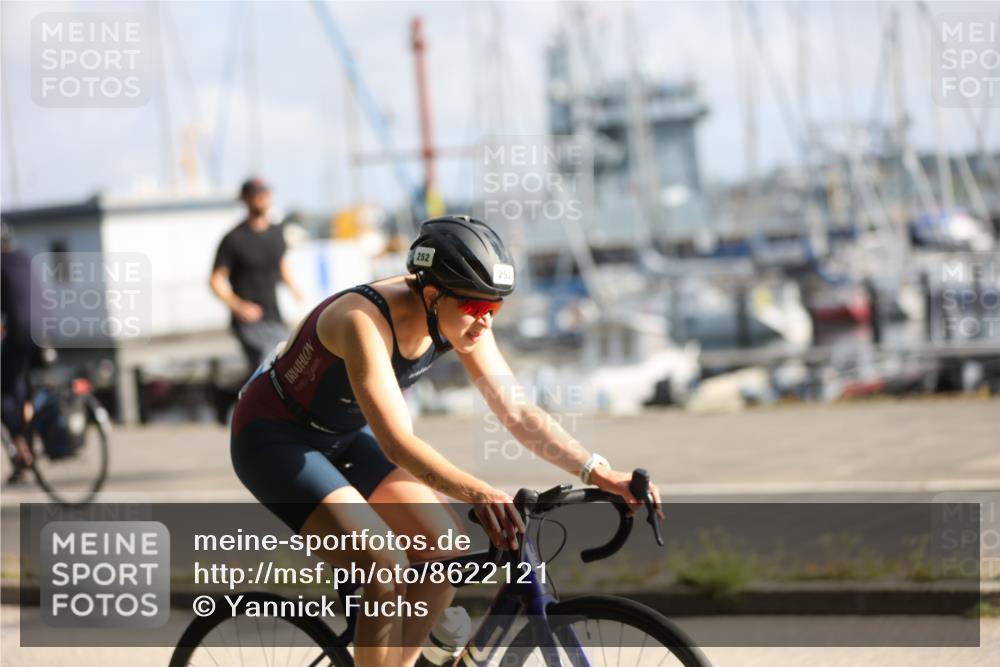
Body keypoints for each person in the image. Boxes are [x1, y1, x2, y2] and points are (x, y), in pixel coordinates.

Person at [230, 215, 663, 667]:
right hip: (273, 440)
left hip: (342, 433)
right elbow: (397, 442)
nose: (485, 323)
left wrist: (598, 471)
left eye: (495, 310)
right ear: (433, 295)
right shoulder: (364, 320)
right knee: (384, 563)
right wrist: (480, 492)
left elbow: (516, 411)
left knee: (444, 549)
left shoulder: (460, 315)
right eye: (476, 309)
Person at [210, 176, 305, 371]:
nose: (263, 198)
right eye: (257, 194)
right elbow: (216, 280)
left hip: (274, 315)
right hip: (249, 322)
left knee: (289, 366)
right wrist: (238, 306)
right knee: (267, 368)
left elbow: (281, 264)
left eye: (266, 193)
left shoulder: (277, 232)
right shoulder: (233, 238)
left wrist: (295, 289)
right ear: (245, 199)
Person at [1, 222, 38, 482]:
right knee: (23, 391)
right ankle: (27, 452)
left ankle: (23, 451)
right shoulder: (25, 257)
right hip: (49, 330)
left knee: (3, 394)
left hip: (22, 333)